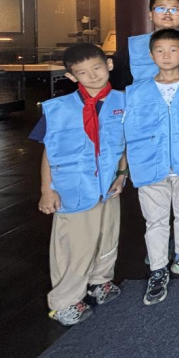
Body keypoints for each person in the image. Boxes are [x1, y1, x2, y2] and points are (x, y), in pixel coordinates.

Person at [31, 43, 127, 326]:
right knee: (75, 246)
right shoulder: (57, 109)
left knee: (107, 236)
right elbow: (49, 151)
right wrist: (46, 189)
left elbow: (125, 144)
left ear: (109, 65)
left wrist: (122, 174)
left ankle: (100, 281)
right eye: (83, 72)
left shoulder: (124, 102)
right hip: (73, 188)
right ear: (72, 77)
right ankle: (64, 301)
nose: (93, 75)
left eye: (97, 67)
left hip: (108, 187)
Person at [124, 29, 179, 306]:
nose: (166, 56)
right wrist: (125, 167)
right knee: (155, 220)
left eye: (173, 50)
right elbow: (127, 131)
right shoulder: (135, 92)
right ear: (150, 55)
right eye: (160, 50)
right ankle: (158, 268)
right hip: (150, 164)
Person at [111, 0, 179, 90]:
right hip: (144, 98)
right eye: (161, 9)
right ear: (150, 14)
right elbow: (120, 82)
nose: (167, 13)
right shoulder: (134, 46)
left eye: (174, 9)